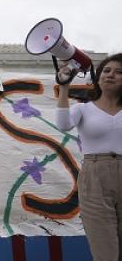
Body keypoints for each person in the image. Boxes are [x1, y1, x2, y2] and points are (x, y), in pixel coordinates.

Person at [56, 53, 122, 261]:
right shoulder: (83, 109)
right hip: (95, 176)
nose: (110, 75)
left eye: (119, 72)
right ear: (98, 76)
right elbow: (63, 123)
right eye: (106, 70)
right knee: (105, 249)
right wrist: (64, 86)